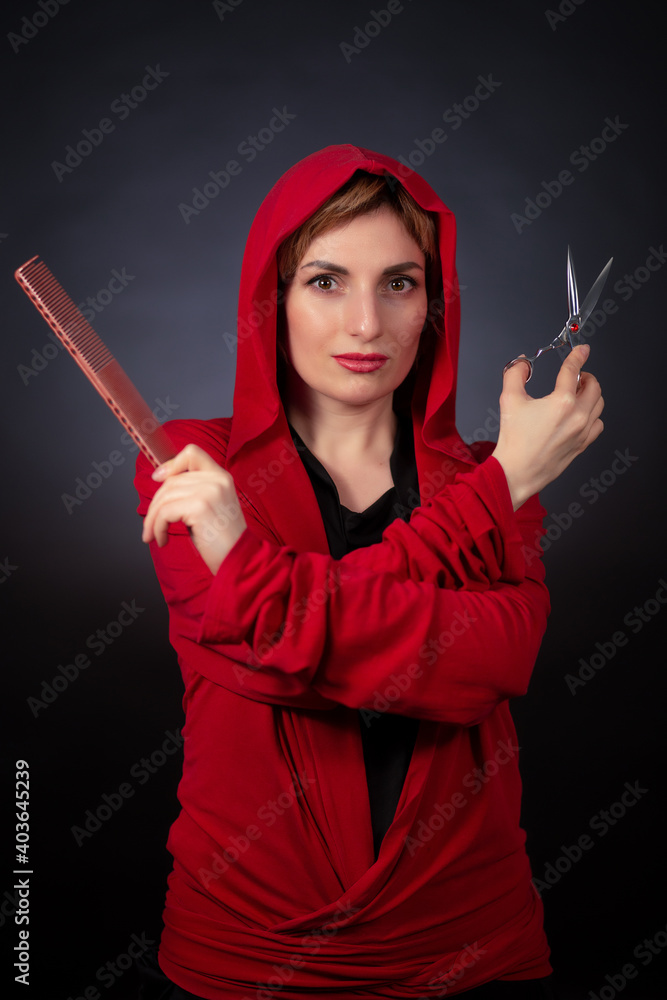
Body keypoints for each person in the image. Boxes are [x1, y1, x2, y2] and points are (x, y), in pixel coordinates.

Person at [134, 144, 603, 999]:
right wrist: (499, 491)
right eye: (324, 281)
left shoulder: (489, 474)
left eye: (399, 283)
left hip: (471, 946)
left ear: (431, 305)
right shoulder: (192, 465)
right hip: (243, 949)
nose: (365, 324)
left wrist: (495, 483)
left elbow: (494, 661)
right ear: (271, 298)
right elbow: (264, 661)